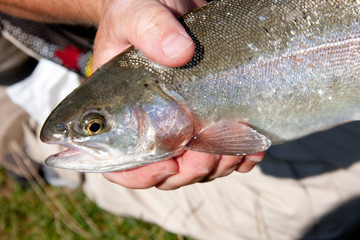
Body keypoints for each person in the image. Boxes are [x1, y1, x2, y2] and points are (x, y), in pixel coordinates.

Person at [1, 0, 360, 239]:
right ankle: (30, 134)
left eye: (94, 126)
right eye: (96, 126)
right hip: (57, 45)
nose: (93, 128)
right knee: (318, 207)